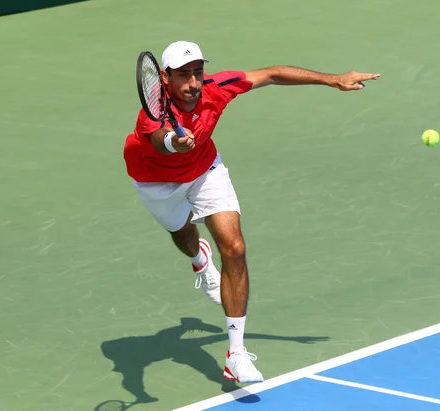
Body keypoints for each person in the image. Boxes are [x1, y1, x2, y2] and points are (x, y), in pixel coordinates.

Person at [123, 40, 380, 384]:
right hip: (157, 182)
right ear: (165, 79)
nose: (193, 83)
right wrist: (174, 142)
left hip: (205, 171)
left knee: (235, 249)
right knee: (182, 232)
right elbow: (159, 139)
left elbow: (272, 74)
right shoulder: (152, 112)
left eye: (198, 72)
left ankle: (236, 354)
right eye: (183, 75)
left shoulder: (216, 88)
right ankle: (200, 258)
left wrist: (331, 79)